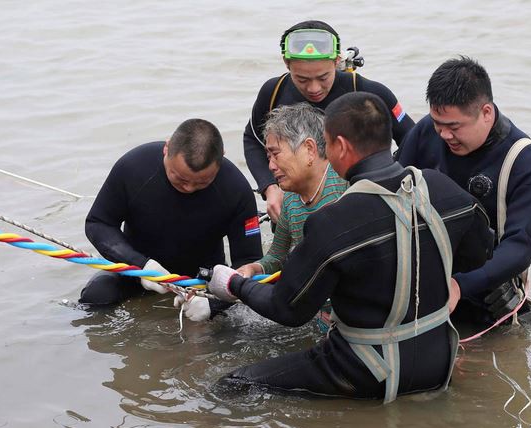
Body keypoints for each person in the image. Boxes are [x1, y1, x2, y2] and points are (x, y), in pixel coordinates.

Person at [207, 92, 493, 402]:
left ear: (340, 147)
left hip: (368, 371)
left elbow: (287, 309)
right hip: (438, 362)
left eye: (327, 145)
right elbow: (480, 253)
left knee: (236, 382)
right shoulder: (442, 188)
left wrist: (234, 283)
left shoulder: (333, 220)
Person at [396, 56, 531, 327]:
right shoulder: (426, 131)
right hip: (425, 281)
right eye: (438, 123)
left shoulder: (526, 162)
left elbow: (521, 246)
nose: (444, 135)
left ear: (486, 113)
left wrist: (459, 285)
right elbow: (392, 189)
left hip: (487, 297)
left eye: (454, 127)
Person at [178, 103, 348, 325]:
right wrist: (252, 268)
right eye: (268, 156)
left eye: (275, 154)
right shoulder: (290, 202)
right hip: (319, 314)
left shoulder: (346, 183)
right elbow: (276, 258)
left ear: (309, 149)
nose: (270, 166)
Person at [244, 20, 415, 224]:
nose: (314, 88)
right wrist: (269, 187)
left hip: (360, 208)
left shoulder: (370, 93)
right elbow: (252, 139)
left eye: (323, 77)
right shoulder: (273, 92)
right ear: (286, 63)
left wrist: (390, 186)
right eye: (302, 79)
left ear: (336, 61)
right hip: (295, 211)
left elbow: (413, 139)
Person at [80, 119, 263, 309]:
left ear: (221, 159)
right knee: (97, 295)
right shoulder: (134, 167)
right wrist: (141, 265)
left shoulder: (237, 190)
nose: (189, 188)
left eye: (202, 182)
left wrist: (214, 305)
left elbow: (249, 263)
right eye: (180, 178)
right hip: (137, 271)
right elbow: (98, 223)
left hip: (201, 280)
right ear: (167, 148)